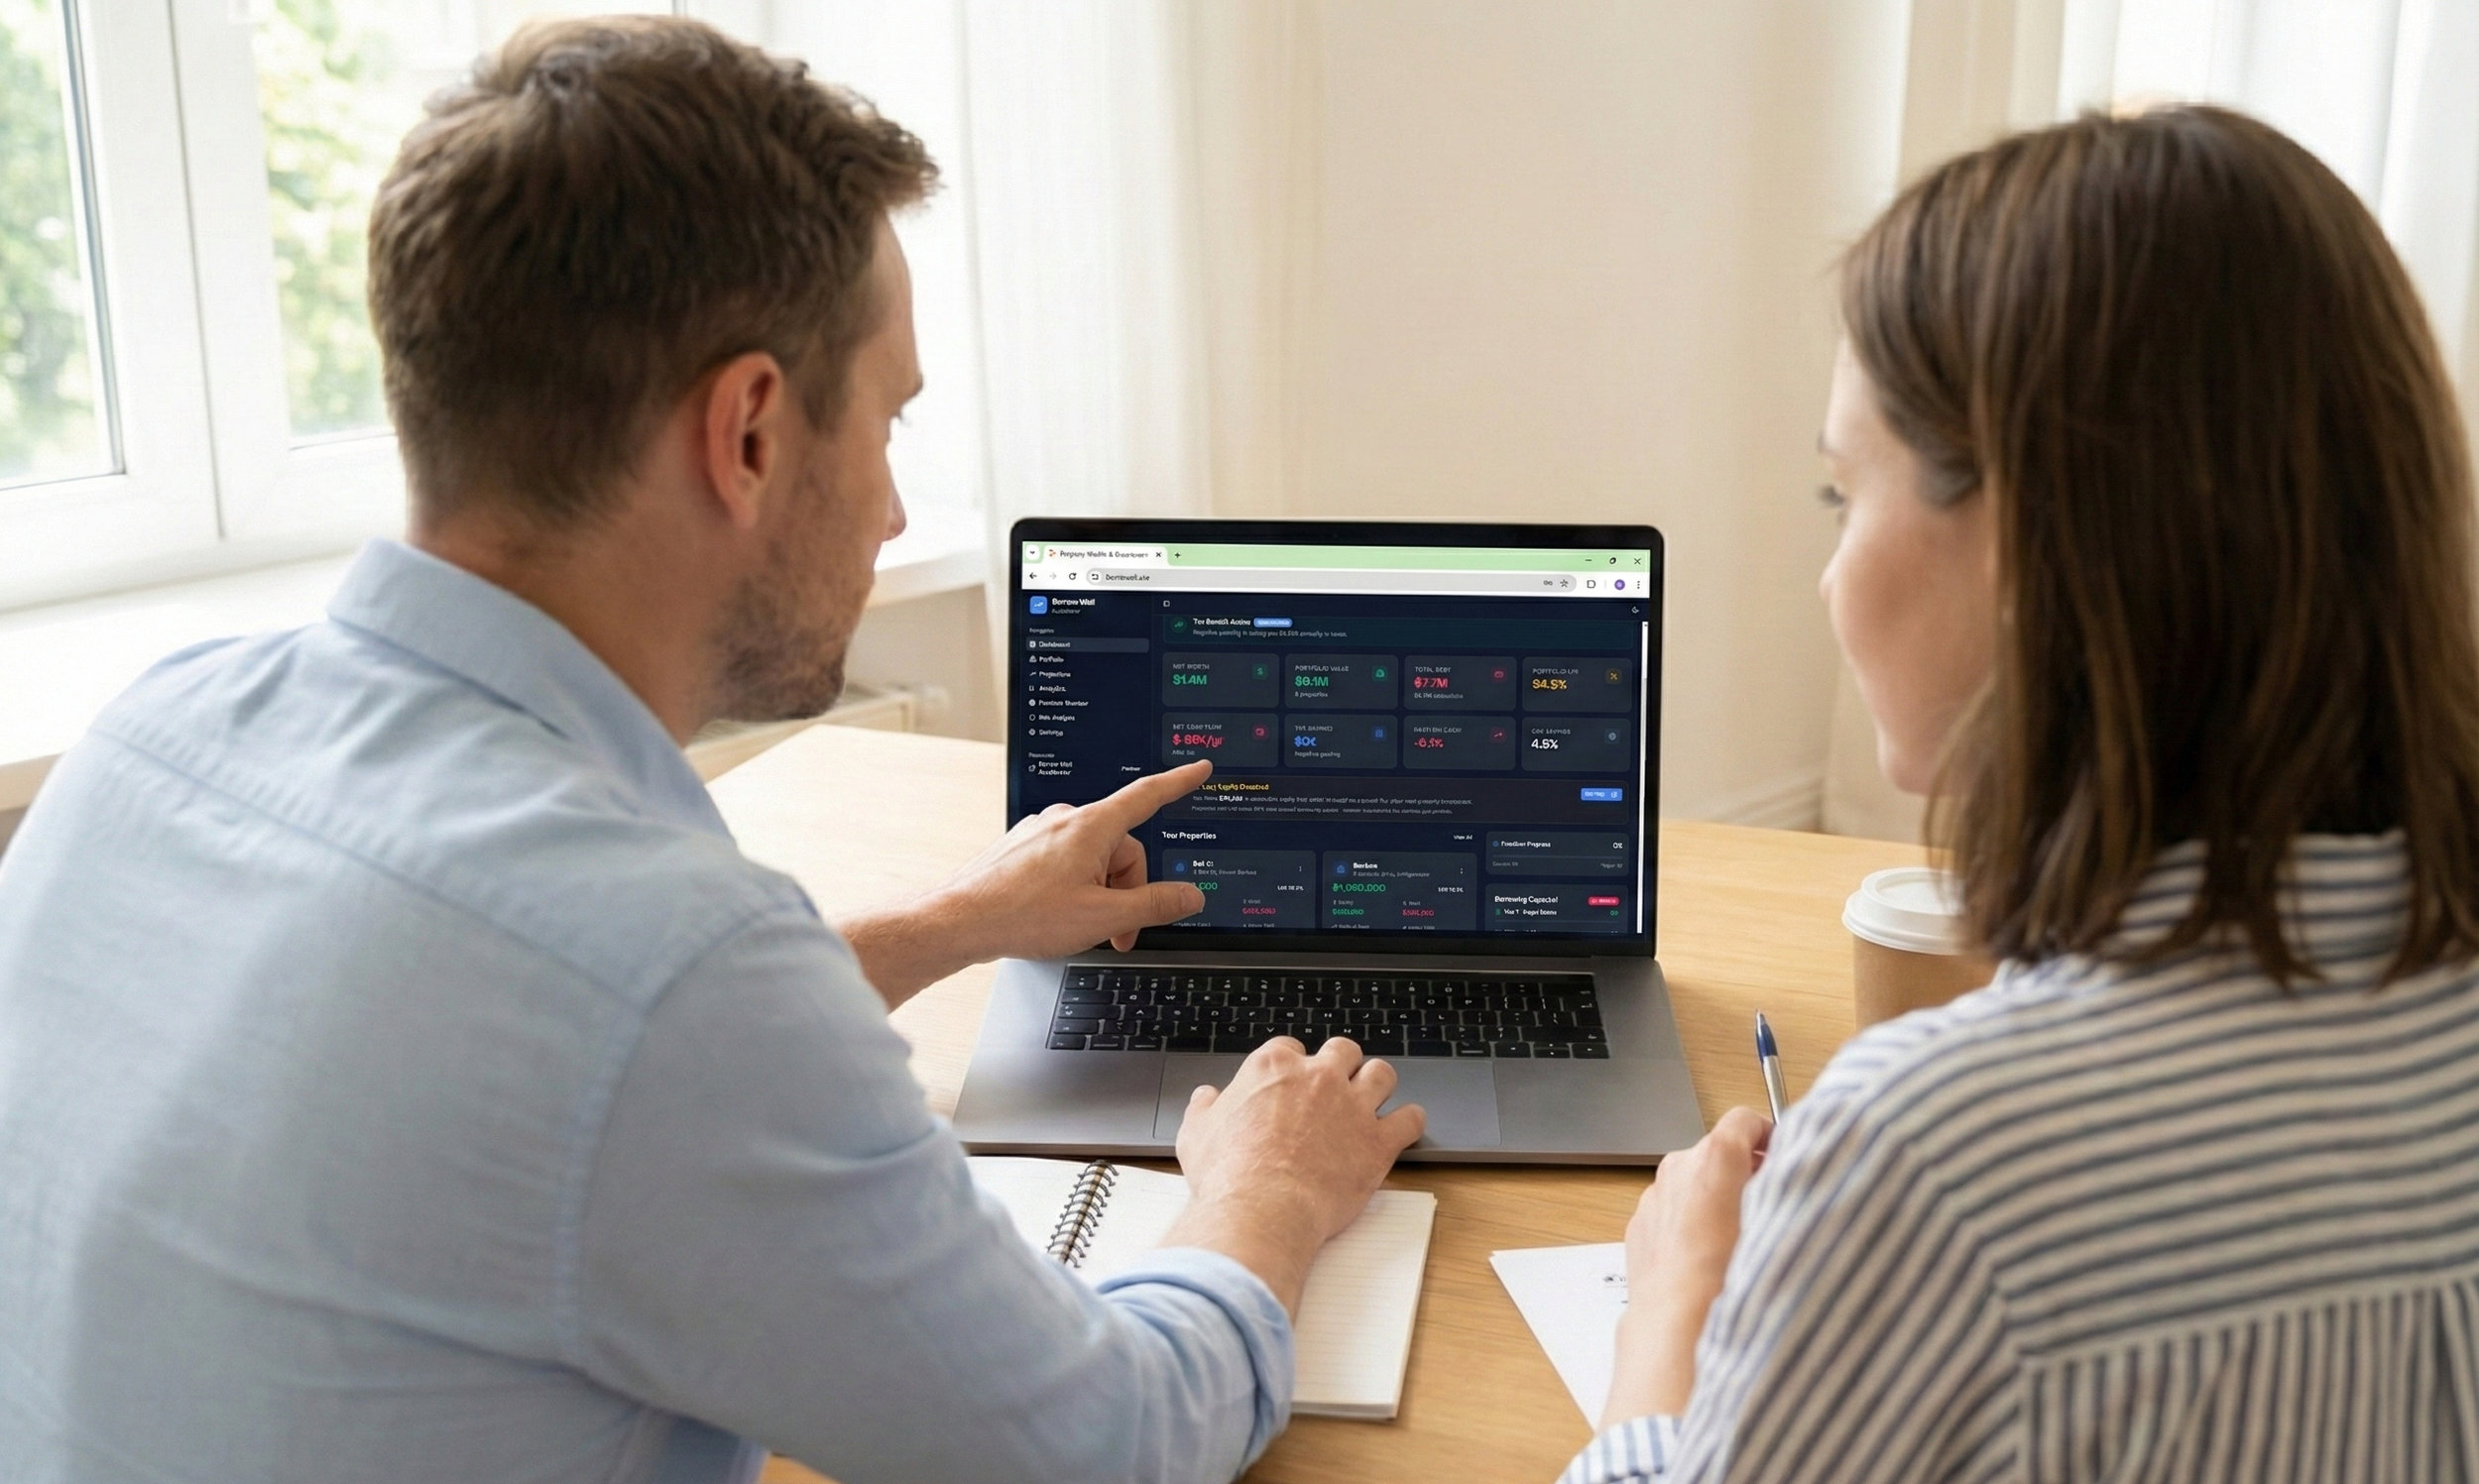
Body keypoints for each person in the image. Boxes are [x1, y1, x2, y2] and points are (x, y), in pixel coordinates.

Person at [0, 18, 1422, 1484]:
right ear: (747, 430)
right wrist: (1269, 1189)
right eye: (886, 421)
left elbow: (548, 1046)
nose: (888, 512)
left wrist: (958, 922)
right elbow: (1113, 1441)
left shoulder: (149, 741)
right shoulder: (661, 977)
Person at [1560, 103, 2479, 1483]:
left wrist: (1675, 1310)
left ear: (2028, 548)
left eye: (1838, 495)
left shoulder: (1935, 1159)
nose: (1829, 576)